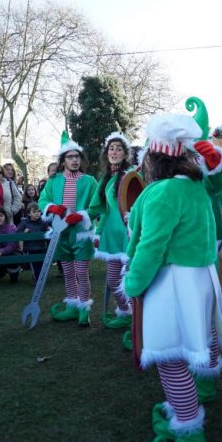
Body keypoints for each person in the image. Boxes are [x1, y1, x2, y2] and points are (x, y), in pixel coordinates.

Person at [123, 113, 222, 442]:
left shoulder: (164, 192)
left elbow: (151, 247)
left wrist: (133, 284)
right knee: (190, 348)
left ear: (153, 158)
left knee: (169, 358)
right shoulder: (194, 186)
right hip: (199, 280)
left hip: (171, 283)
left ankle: (190, 433)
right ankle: (184, 403)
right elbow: (216, 185)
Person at [38, 132, 98, 327]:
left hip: (81, 233)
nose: (74, 160)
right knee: (68, 272)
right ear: (63, 160)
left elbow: (97, 205)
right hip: (60, 233)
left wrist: (81, 214)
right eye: (70, 157)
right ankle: (71, 306)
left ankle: (83, 309)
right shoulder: (54, 181)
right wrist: (52, 208)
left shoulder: (89, 181)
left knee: (82, 272)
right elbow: (43, 200)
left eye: (77, 156)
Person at [89, 132, 134, 328]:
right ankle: (126, 312)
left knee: (132, 280)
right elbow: (103, 209)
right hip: (112, 236)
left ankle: (139, 321)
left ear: (125, 154)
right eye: (111, 148)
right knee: (113, 279)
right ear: (106, 153)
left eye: (118, 148)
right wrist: (98, 232)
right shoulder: (106, 178)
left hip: (130, 235)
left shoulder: (132, 174)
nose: (114, 151)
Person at [16, 202, 49, 285]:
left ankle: (41, 278)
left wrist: (49, 229)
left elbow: (48, 229)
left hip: (41, 247)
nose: (37, 214)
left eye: (38, 211)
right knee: (34, 265)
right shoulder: (24, 223)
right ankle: (36, 278)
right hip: (30, 248)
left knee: (41, 264)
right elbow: (17, 233)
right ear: (29, 213)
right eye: (34, 212)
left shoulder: (42, 222)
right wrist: (24, 232)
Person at [0, 205, 21, 284]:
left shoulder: (10, 227)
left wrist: (1, 251)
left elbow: (12, 245)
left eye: (1, 215)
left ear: (5, 217)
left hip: (11, 253)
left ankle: (14, 276)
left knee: (12, 258)